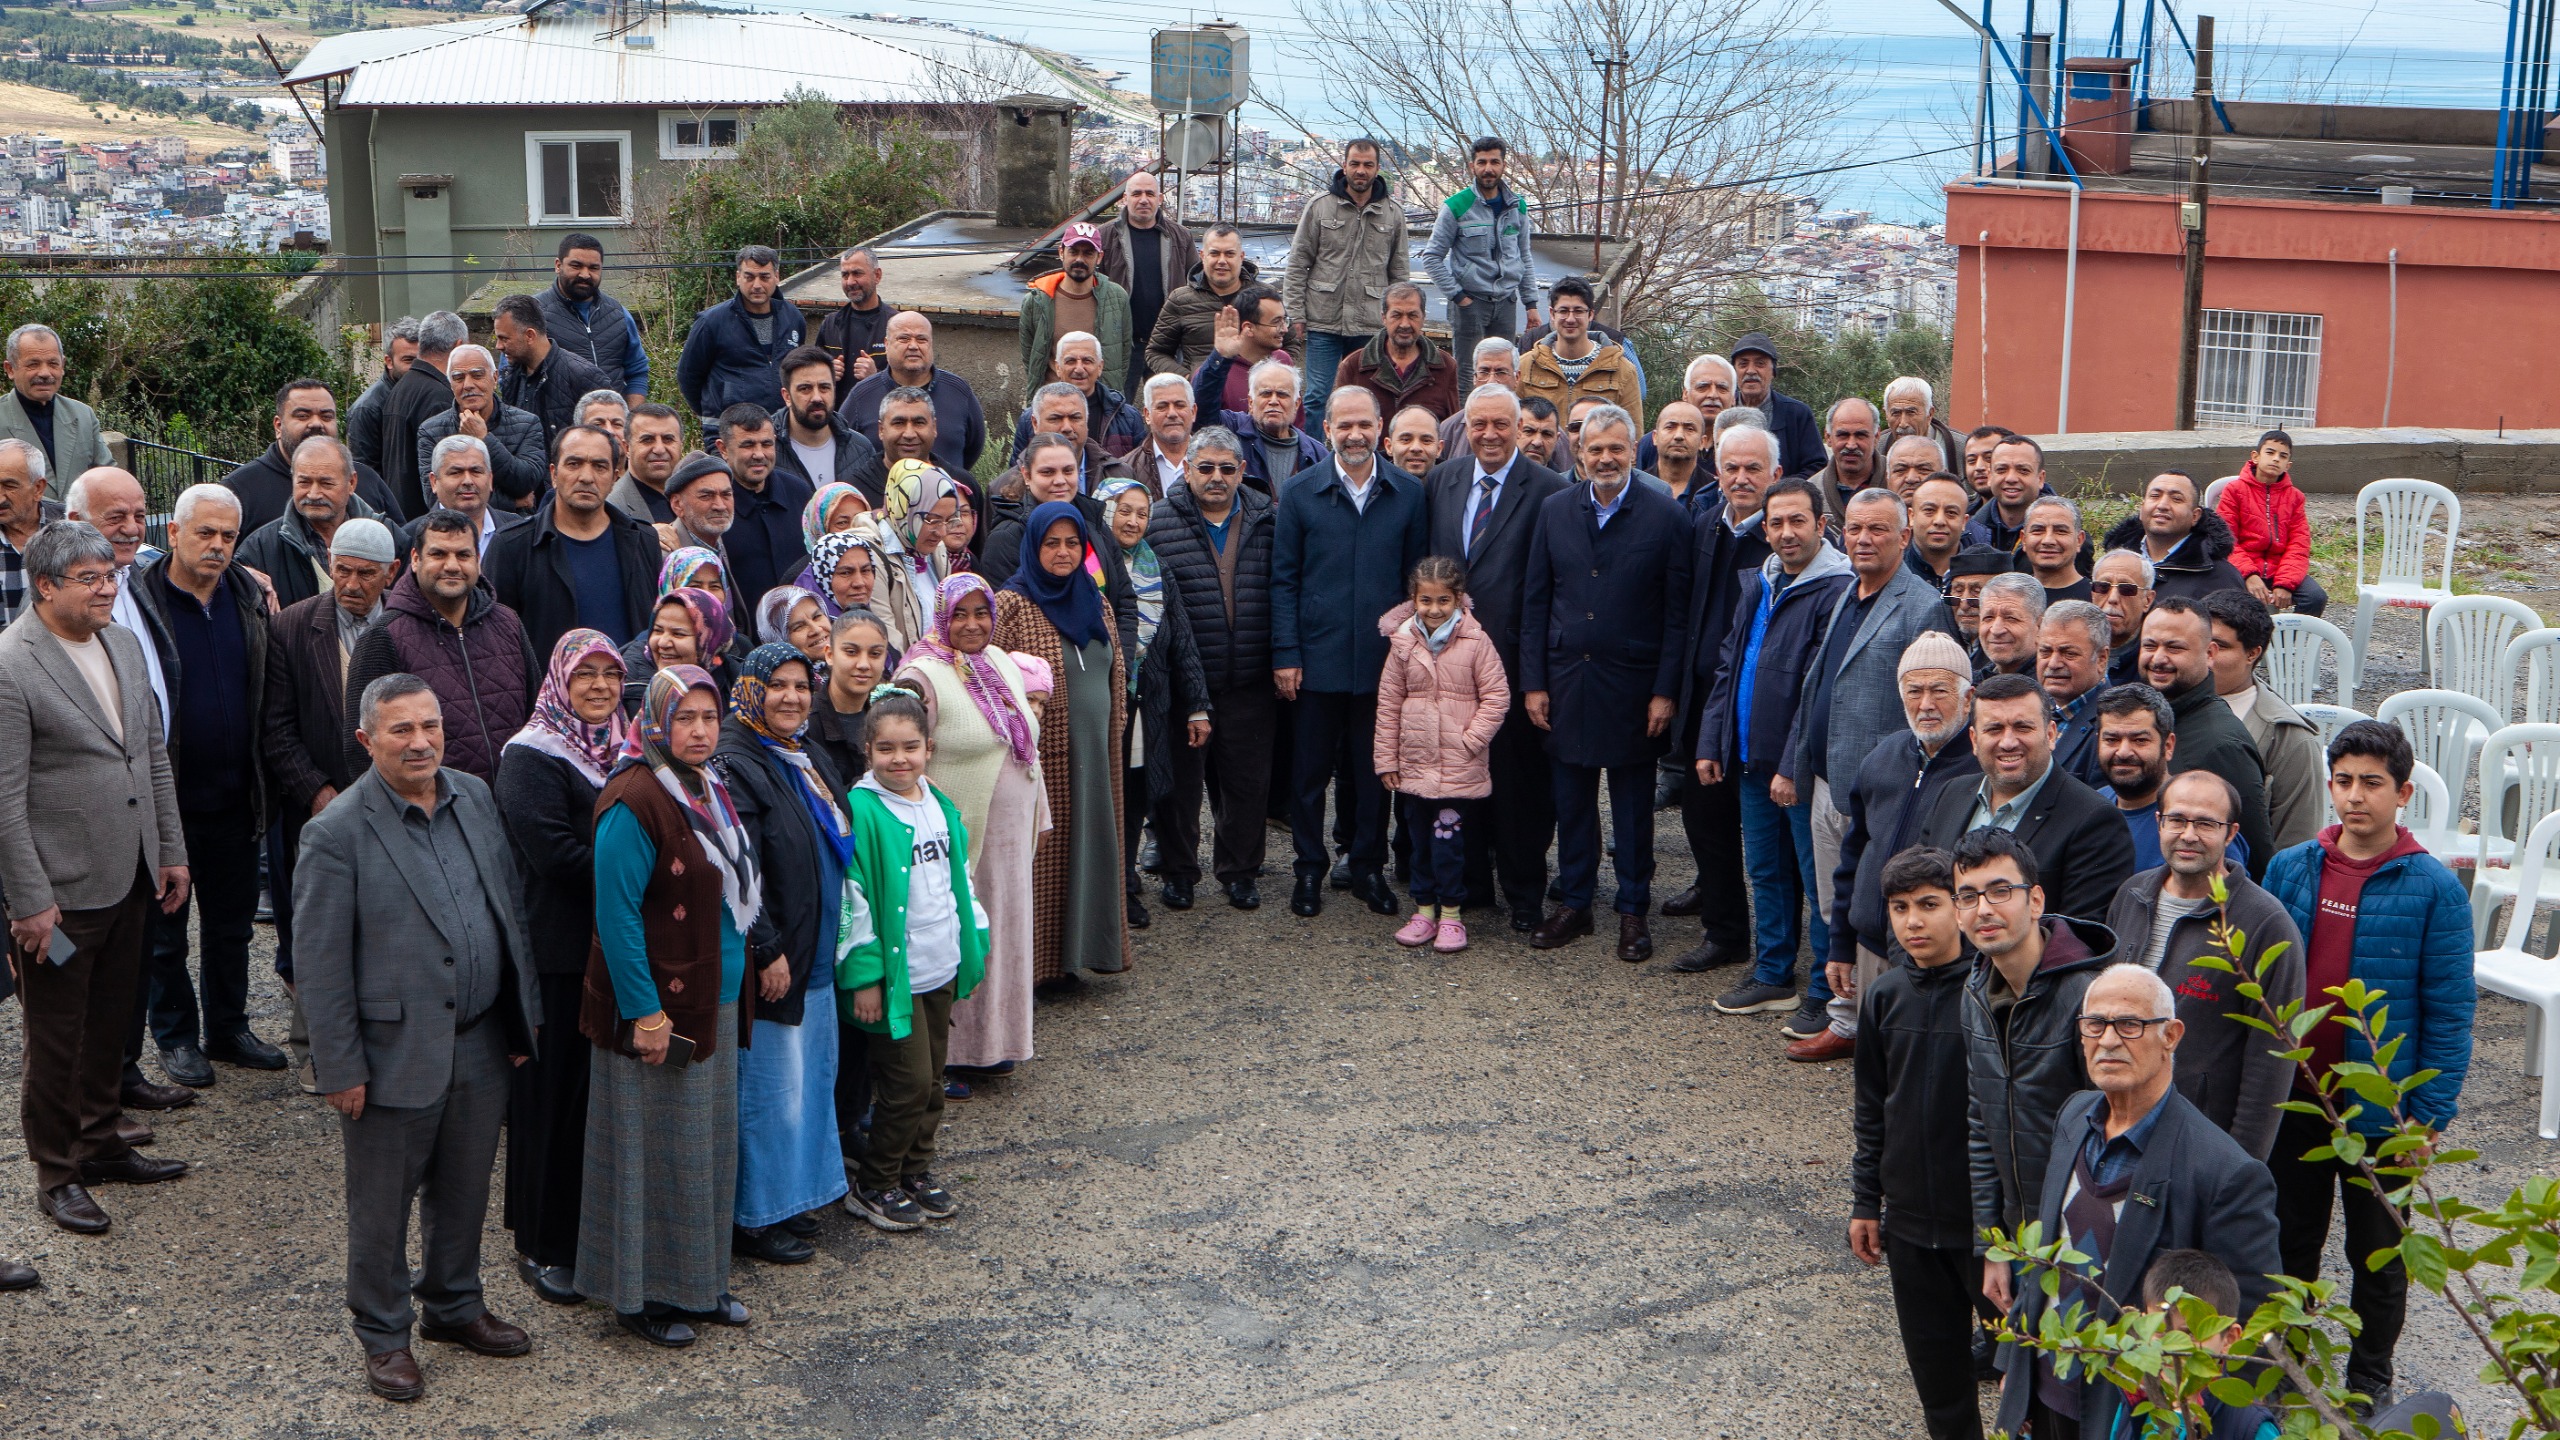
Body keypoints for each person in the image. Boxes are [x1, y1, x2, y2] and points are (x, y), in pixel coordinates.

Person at [295, 673, 540, 1402]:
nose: (420, 742)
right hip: (390, 1054)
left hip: (480, 1039)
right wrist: (339, 1066)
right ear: (367, 740)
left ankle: (454, 1306)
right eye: (400, 729)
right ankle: (383, 1334)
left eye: (429, 725)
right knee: (381, 1205)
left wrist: (519, 1018)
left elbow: (509, 912)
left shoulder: (475, 796)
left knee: (465, 1188)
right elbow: (320, 963)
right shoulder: (336, 832)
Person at [2260, 719, 2476, 1409]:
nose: (2356, 797)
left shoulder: (2434, 888)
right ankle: (2287, 1370)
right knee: (2289, 1241)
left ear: (2403, 793)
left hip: (2381, 1110)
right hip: (2298, 1096)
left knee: (2378, 1253)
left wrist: (2428, 1115)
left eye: (2373, 784)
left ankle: (2369, 1379)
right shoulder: (2292, 867)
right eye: (2344, 781)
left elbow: (2450, 1010)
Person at [1990, 962, 2284, 1440]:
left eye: (2129, 1024)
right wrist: (2015, 1365)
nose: (2108, 1040)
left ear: (2171, 1035)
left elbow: (2252, 1332)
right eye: (2095, 1024)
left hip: (2133, 1418)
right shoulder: (2074, 1117)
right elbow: (2047, 1255)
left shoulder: (2225, 1172)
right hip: (2044, 1393)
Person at [0, 520, 193, 1239]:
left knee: (113, 1022)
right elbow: (4, 798)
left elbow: (151, 754)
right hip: (58, 898)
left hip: (131, 873)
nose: (109, 589)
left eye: (111, 576)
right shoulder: (11, 665)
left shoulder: (121, 643)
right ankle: (57, 1174)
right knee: (57, 1040)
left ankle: (102, 1139)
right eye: (91, 579)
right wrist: (29, 901)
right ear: (45, 587)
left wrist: (170, 850)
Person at [577, 665, 760, 1348]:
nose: (701, 731)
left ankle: (699, 1284)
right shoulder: (633, 798)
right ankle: (642, 1296)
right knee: (650, 1153)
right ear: (655, 722)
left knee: (704, 1151)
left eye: (710, 717)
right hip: (660, 1008)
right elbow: (617, 916)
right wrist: (645, 1014)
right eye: (685, 718)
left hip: (713, 998)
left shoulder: (707, 785)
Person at [1783, 489, 1959, 1056]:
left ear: (1904, 537)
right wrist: (1796, 764)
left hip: (1882, 789)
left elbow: (1932, 708)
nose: (1863, 539)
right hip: (1828, 780)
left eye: (1878, 529)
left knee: (1877, 907)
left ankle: (1871, 1024)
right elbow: (1820, 686)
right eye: (1855, 528)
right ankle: (1845, 1012)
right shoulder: (1848, 592)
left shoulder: (1921, 605)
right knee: (1834, 902)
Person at [1517, 404, 1693, 959]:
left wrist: (1665, 691)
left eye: (1616, 448)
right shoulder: (1555, 510)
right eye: (1595, 449)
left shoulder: (1666, 515)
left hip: (1635, 687)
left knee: (1633, 807)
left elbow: (1678, 615)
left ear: (1634, 449)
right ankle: (1575, 903)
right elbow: (1536, 601)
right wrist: (1533, 682)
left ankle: (1633, 910)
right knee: (1571, 802)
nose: (1606, 458)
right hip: (1566, 680)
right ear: (1580, 452)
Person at [129, 481, 280, 1092]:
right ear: (174, 533)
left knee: (231, 925)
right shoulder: (140, 601)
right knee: (166, 930)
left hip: (237, 793)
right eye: (205, 533)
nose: (217, 546)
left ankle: (228, 1028)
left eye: (228, 536)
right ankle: (175, 1037)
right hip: (169, 797)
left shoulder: (248, 595)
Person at [492, 629, 625, 1307]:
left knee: (593, 1101)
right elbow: (553, 855)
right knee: (548, 1099)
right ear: (560, 681)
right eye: (585, 675)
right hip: (555, 954)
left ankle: (589, 1228)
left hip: (612, 947)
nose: (600, 686)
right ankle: (540, 1242)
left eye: (611, 674)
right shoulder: (531, 754)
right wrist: (642, 872)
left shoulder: (625, 746)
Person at [715, 643, 854, 1262]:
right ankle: (755, 1216)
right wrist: (766, 947)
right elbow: (739, 868)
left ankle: (793, 1197)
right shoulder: (736, 759)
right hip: (776, 956)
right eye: (778, 685)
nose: (792, 697)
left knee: (809, 1080)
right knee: (769, 1089)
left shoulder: (801, 751)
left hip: (813, 948)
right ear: (752, 689)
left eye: (801, 685)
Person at [1848, 845, 1989, 1440]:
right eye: (1900, 908)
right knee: (1941, 1387)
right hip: (1909, 1226)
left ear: (1959, 906)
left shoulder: (1991, 991)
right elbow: (1872, 1106)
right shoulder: (1884, 996)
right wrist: (1866, 1201)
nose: (1913, 922)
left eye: (1929, 905)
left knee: (2033, 1377)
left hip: (1985, 1228)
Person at [1272, 389, 1428, 920]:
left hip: (1384, 664)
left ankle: (1367, 867)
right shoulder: (1299, 492)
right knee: (1309, 775)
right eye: (1345, 425)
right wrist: (1286, 654)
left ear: (1380, 427)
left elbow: (1416, 584)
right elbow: (1284, 580)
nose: (1355, 434)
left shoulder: (1407, 492)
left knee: (1373, 772)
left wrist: (1410, 655)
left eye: (1364, 424)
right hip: (1316, 660)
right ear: (1327, 428)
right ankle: (1309, 869)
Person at [1699, 476, 1849, 1006]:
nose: (1787, 532)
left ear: (1821, 525)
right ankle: (1772, 975)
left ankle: (1823, 991)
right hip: (1749, 760)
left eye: (1798, 521)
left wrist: (1792, 766)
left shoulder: (1836, 590)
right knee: (1765, 872)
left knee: (1817, 879)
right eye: (1777, 522)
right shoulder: (1760, 582)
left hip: (1799, 770)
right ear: (1764, 529)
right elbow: (1730, 666)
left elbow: (1816, 690)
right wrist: (1712, 742)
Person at [839, 685, 984, 1230]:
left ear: (929, 748)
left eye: (910, 747)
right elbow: (852, 901)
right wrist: (865, 976)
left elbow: (959, 879)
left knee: (933, 1081)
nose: (899, 759)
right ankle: (875, 1182)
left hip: (939, 966)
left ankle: (914, 1170)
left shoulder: (938, 803)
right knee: (907, 1084)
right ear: (868, 751)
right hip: (896, 979)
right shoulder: (861, 810)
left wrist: (974, 944)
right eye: (886, 749)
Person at [2104, 769, 2305, 1159]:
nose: (2188, 835)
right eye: (2177, 820)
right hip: (2118, 1122)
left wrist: (2242, 1166)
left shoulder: (2265, 924)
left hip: (2200, 1141)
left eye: (2206, 824)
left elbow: (2271, 1061)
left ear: (2231, 834)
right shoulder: (2131, 895)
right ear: (2159, 823)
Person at [1423, 388, 1566, 927]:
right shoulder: (1441, 480)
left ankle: (1525, 894)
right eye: (1479, 423)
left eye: (1501, 424)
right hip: (1448, 662)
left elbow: (1550, 588)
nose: (1489, 434)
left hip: (1512, 660)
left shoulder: (1549, 490)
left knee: (1519, 783)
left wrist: (1536, 677)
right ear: (1465, 427)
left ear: (1519, 427)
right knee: (1459, 775)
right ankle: (1471, 887)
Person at [894, 576, 1042, 1078]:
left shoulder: (999, 660)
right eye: (960, 614)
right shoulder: (922, 674)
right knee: (960, 936)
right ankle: (953, 1057)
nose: (972, 624)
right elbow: (904, 754)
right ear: (942, 616)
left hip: (1009, 839)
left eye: (981, 613)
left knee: (1004, 936)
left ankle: (996, 1045)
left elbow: (1023, 746)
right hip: (962, 839)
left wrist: (1037, 812)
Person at [1953, 828, 2117, 1278]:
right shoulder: (1975, 993)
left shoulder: (2090, 998)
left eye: (2000, 891)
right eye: (1967, 896)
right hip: (2020, 1239)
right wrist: (1994, 1246)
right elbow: (1981, 1123)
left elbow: (2118, 1135)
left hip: (2088, 1246)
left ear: (2036, 901)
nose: (1984, 909)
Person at [1820, 636, 1981, 1061]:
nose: (1925, 704)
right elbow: (1853, 857)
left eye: (1939, 690)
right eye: (1914, 691)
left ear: (1968, 698)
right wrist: (1841, 945)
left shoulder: (1982, 770)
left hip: (1940, 959)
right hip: (1871, 951)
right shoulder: (1883, 756)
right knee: (1876, 1069)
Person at [995, 503, 1133, 985]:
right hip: (1044, 759)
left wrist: (1116, 727)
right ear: (1033, 546)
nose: (1063, 552)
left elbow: (1115, 672)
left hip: (1097, 753)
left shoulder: (1096, 600)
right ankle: (1037, 968)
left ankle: (1081, 954)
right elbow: (992, 680)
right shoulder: (1011, 605)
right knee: (1045, 859)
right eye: (1051, 543)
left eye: (1072, 543)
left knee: (1090, 850)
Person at [1149, 428, 1279, 911]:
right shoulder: (1158, 522)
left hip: (1249, 677)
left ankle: (1240, 871)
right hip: (1184, 682)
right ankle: (1179, 872)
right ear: (1187, 470)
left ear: (1242, 471)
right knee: (1180, 787)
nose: (1216, 477)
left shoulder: (1268, 519)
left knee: (1246, 784)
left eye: (1227, 468)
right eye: (1205, 468)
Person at [1665, 424, 1778, 970]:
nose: (1741, 478)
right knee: (1705, 820)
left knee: (1766, 835)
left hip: (1757, 708)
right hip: (1703, 704)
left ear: (1776, 474)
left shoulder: (1785, 534)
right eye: (1731, 467)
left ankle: (1778, 948)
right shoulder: (1704, 523)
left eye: (1753, 468)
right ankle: (1725, 930)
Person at [1913, 671, 2137, 923]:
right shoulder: (1950, 795)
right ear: (1974, 740)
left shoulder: (2094, 820)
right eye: (1994, 729)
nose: (2008, 742)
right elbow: (1913, 893)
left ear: (2050, 734)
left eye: (2022, 727)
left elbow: (2080, 935)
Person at [344, 511, 539, 786]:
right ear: (415, 559)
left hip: (513, 801)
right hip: (431, 808)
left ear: (478, 560)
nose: (452, 566)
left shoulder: (508, 623)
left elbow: (537, 719)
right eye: (438, 554)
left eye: (463, 555)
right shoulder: (383, 636)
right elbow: (362, 751)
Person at [1375, 555, 1508, 954]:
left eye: (1443, 601)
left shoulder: (1476, 641)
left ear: (1458, 598)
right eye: (1426, 600)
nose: (1434, 609)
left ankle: (1451, 915)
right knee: (1419, 843)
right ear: (1413, 600)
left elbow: (1497, 697)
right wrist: (1387, 760)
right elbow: (1388, 704)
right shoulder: (1402, 642)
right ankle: (1423, 911)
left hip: (1456, 767)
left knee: (1448, 844)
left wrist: (1471, 741)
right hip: (1415, 765)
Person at [1094, 476, 1207, 930]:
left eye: (1142, 513)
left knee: (1136, 790)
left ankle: (1125, 881)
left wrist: (1197, 704)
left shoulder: (1156, 568)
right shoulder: (1088, 568)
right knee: (1106, 796)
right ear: (1104, 511)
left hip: (1147, 703)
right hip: (1101, 704)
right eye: (1124, 510)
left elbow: (1182, 640)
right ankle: (1112, 888)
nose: (1133, 521)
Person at [486, 425, 661, 658]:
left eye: (599, 466)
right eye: (574, 464)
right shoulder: (512, 546)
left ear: (615, 477)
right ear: (553, 474)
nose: (586, 477)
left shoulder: (643, 541)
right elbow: (495, 642)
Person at [2139, 597, 2276, 878]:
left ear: (2210, 653)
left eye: (2174, 648)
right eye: (2150, 646)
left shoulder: (2222, 745)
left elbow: (2253, 858)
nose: (2158, 658)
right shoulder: (2144, 720)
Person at [1285, 138, 1407, 424]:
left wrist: (1398, 319)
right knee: (1316, 397)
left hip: (1370, 323)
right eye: (1355, 164)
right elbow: (1298, 263)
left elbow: (1399, 276)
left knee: (1367, 398)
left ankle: (1364, 449)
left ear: (1377, 168)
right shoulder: (1320, 207)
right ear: (1344, 166)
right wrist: (1296, 313)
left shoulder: (1393, 214)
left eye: (1367, 165)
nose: (1361, 171)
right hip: (1323, 320)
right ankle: (1313, 450)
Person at [2205, 588, 2325, 852]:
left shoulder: (2289, 739)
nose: (2206, 656)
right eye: (2198, 641)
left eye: (2219, 646)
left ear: (2252, 654)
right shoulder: (2156, 708)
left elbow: (2295, 847)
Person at [2090, 682, 2253, 876]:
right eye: (2112, 740)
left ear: (2168, 745)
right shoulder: (2092, 808)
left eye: (2140, 740)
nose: (2123, 752)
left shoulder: (2204, 823)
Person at [1418, 135, 1538, 391]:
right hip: (1470, 304)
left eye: (1494, 162)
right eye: (1482, 162)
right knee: (1468, 377)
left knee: (1503, 373)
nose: (1488, 169)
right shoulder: (1456, 206)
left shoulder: (1517, 206)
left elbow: (1524, 255)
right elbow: (1431, 257)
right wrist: (1458, 296)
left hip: (1506, 303)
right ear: (1472, 166)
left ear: (1504, 165)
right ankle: (1467, 418)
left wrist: (1531, 303)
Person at [223, 378, 403, 535]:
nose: (316, 423)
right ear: (278, 426)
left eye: (326, 416)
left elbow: (401, 544)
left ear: (351, 483)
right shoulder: (240, 489)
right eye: (303, 416)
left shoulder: (367, 479)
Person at [238, 435, 390, 612]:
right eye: (304, 482)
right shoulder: (259, 549)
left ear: (351, 483)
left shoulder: (389, 538)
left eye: (326, 483)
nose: (314, 494)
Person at [837, 311, 988, 481]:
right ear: (886, 344)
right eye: (904, 338)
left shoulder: (958, 391)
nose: (914, 346)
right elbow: (843, 448)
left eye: (921, 339)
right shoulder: (862, 395)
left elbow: (974, 447)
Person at [678, 246, 806, 429]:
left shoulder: (793, 318)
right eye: (749, 277)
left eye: (764, 277)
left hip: (781, 429)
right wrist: (712, 413)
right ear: (738, 277)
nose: (757, 285)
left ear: (776, 277)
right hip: (728, 431)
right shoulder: (711, 322)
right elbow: (688, 376)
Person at [708, 405, 817, 610]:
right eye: (748, 445)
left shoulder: (799, 492)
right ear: (723, 449)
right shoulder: (712, 506)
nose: (759, 454)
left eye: (766, 444)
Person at [416, 344, 548, 512]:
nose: (468, 384)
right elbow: (435, 498)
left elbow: (527, 482)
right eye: (458, 378)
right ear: (450, 384)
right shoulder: (431, 431)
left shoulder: (527, 423)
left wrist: (484, 439)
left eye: (477, 375)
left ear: (495, 378)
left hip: (514, 526)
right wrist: (512, 502)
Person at [1098, 171, 1196, 382]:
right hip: (1123, 342)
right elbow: (1093, 288)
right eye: (1137, 194)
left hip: (1167, 344)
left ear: (1160, 199)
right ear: (1125, 199)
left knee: (1168, 399)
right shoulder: (1104, 236)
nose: (1143, 200)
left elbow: (1197, 286)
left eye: (1150, 194)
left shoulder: (1181, 236)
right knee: (1118, 400)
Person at [1021, 222, 1133, 397]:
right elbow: (1031, 357)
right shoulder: (1036, 301)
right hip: (1053, 401)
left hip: (1100, 403)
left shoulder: (1117, 298)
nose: (1080, 259)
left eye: (1088, 253)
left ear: (1099, 257)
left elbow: (1124, 354)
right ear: (1061, 253)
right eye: (1073, 252)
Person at [2220, 429, 2325, 615]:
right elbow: (2225, 539)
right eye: (2270, 452)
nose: (2276, 459)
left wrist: (2285, 583)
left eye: (2282, 456)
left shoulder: (2295, 498)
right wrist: (2249, 575)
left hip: (2279, 568)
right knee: (2222, 594)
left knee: (2315, 597)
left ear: (2288, 465)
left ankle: (2292, 635)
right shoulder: (2234, 491)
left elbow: (2299, 544)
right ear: (2255, 456)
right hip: (2242, 567)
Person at [1516, 278, 1643, 432]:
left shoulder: (1623, 370)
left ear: (1590, 315)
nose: (1570, 319)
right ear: (1552, 314)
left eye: (1578, 311)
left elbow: (1633, 433)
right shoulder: (1526, 366)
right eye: (1563, 311)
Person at [1194, 348, 1324, 496]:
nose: (1273, 401)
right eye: (1266, 394)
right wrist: (1221, 355)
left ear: (1296, 404)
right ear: (1250, 402)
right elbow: (1201, 413)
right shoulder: (1232, 430)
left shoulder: (1316, 454)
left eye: (1282, 394)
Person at [536, 233, 650, 403]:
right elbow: (513, 377)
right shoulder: (533, 314)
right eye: (576, 266)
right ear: (558, 265)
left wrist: (630, 415)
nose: (585, 274)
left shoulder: (618, 314)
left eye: (593, 268)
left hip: (611, 418)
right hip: (557, 420)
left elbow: (637, 371)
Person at [492, 293, 613, 453]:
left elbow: (607, 444)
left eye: (504, 339)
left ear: (530, 336)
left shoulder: (584, 377)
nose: (498, 346)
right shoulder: (510, 377)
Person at [770, 346, 887, 509]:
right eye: (805, 389)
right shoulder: (768, 449)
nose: (817, 397)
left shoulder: (861, 449)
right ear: (787, 396)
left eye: (824, 387)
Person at [2103, 470, 2245, 604]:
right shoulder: (2113, 563)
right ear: (2141, 509)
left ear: (2195, 516)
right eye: (2155, 496)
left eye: (2176, 499)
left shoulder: (2221, 577)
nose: (2162, 505)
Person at [0, 323, 111, 492]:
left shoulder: (83, 415)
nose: (45, 373)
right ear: (10, 369)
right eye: (33, 364)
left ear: (63, 365)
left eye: (53, 363)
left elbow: (108, 476)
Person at [381, 312, 468, 522]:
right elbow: (448, 472)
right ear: (458, 346)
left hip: (403, 516)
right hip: (430, 521)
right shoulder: (439, 397)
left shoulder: (400, 387)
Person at [1331, 282, 1459, 423]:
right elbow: (1340, 424)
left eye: (1412, 315)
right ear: (1384, 318)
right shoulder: (1353, 366)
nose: (1404, 324)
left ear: (1423, 318)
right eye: (1396, 315)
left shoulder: (1446, 367)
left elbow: (1452, 428)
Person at [1148, 224, 1261, 378]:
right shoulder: (1180, 300)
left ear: (1241, 257)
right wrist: (1188, 378)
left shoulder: (1264, 297)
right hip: (1201, 390)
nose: (1222, 261)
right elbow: (1155, 352)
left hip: (1254, 390)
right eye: (1214, 253)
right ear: (1202, 256)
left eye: (1229, 254)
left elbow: (1289, 344)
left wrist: (1273, 377)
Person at [402, 435, 526, 559]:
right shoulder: (408, 538)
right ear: (434, 482)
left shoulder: (519, 530)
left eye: (476, 471)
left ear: (490, 479)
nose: (468, 481)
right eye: (456, 472)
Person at [622, 587, 739, 713]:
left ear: (711, 641)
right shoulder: (625, 687)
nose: (663, 643)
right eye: (658, 630)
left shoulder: (739, 685)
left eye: (678, 634)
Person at [1726, 332, 1821, 478]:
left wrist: (1780, 488)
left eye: (1760, 364)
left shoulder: (1797, 414)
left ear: (1773, 371)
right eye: (1743, 364)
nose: (1750, 371)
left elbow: (1816, 467)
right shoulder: (1723, 412)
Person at [2038, 600, 2112, 787]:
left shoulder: (2114, 725)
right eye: (2045, 652)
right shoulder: (2032, 712)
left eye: (2069, 653)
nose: (2053, 663)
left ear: (2101, 659)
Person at [348, 318, 422, 477]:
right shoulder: (366, 409)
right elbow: (366, 474)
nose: (417, 367)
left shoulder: (424, 395)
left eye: (421, 360)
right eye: (408, 360)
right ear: (389, 361)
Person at [812, 247, 893, 383]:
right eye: (845, 275)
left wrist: (876, 377)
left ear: (877, 276)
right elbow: (812, 373)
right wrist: (824, 374)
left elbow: (909, 382)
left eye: (857, 273)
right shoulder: (831, 324)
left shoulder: (895, 325)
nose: (850, 282)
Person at [1435, 338, 1521, 457]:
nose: (1491, 381)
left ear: (1517, 377)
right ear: (1474, 378)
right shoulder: (1450, 429)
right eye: (1484, 372)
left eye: (1501, 372)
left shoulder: (1535, 426)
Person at [606, 404, 685, 525]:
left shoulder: (697, 496)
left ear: (681, 446)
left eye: (668, 439)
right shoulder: (611, 509)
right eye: (647, 440)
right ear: (627, 448)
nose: (659, 449)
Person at [1810, 397, 1881, 523]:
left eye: (1860, 435)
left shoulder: (1898, 481)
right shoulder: (1811, 492)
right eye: (1843, 435)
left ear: (1876, 436)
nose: (1851, 445)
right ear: (1828, 437)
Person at [2091, 548, 2156, 684]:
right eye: (2103, 587)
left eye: (2126, 589)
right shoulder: (2072, 644)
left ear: (2147, 600)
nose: (2112, 598)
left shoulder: (2156, 662)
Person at [1904, 474, 1973, 590]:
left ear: (1964, 522)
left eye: (1951, 512)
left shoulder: (1982, 575)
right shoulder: (1891, 573)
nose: (1939, 521)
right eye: (1929, 510)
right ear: (1911, 516)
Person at [1883, 375, 1965, 471]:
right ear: (1886, 415)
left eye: (1911, 413)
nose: (1903, 424)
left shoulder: (1962, 448)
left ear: (1930, 414)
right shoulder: (1877, 447)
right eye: (1896, 413)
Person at [1133, 372, 1196, 495]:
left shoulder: (1219, 466)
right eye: (1162, 407)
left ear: (1193, 412)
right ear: (1147, 415)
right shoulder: (1128, 468)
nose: (1172, 413)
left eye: (1180, 405)